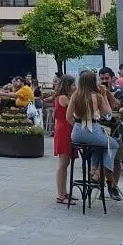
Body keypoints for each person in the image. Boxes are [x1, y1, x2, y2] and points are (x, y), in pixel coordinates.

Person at [66, 71, 121, 200]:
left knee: (99, 147)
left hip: (76, 133)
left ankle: (93, 168)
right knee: (113, 145)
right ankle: (97, 172)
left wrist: (77, 125)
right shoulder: (97, 96)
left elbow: (68, 117)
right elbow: (108, 115)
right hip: (92, 130)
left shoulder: (75, 95)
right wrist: (103, 94)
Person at [54, 74, 76, 205]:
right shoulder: (63, 98)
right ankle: (60, 195)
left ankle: (64, 192)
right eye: (73, 85)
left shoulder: (64, 97)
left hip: (65, 129)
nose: (75, 87)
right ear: (68, 86)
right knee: (63, 164)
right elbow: (76, 109)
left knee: (65, 164)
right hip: (64, 130)